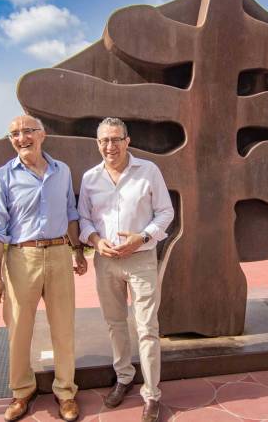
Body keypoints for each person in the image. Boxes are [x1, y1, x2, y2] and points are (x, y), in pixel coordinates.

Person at [0, 115, 87, 422]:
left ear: (42, 135)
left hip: (58, 254)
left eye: (27, 131)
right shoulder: (1, 178)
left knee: (64, 328)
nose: (21, 137)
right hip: (20, 258)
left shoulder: (62, 171)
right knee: (18, 330)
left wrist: (78, 251)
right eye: (14, 133)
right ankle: (21, 392)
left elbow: (70, 212)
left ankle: (66, 392)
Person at [77, 117, 174, 422]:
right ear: (97, 143)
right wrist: (94, 240)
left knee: (147, 328)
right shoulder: (90, 178)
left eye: (116, 139)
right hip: (105, 262)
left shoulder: (149, 171)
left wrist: (142, 237)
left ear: (127, 141)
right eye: (104, 140)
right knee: (115, 323)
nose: (110, 146)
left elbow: (166, 212)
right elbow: (84, 220)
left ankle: (152, 393)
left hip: (141, 259)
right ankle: (123, 377)